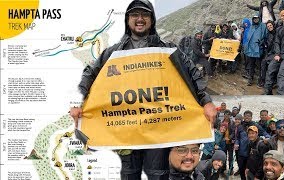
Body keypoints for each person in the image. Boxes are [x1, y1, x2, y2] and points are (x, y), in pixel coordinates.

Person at [69, 0, 217, 179]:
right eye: (135, 15)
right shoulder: (112, 53)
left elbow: (193, 75)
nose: (140, 19)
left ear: (152, 20)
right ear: (128, 20)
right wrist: (78, 103)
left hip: (160, 126)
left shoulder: (168, 50)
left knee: (158, 173)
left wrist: (206, 101)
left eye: (145, 15)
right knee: (130, 173)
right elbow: (89, 75)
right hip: (127, 127)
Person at [244, 15, 267, 86]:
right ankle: (250, 79)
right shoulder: (251, 27)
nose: (255, 20)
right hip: (251, 49)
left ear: (259, 19)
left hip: (258, 49)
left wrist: (262, 42)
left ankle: (260, 80)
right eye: (254, 19)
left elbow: (265, 36)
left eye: (257, 18)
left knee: (260, 65)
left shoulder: (263, 26)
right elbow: (248, 38)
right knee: (251, 65)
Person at [260, 20, 276, 89]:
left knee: (270, 65)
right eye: (268, 26)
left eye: (270, 25)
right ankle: (263, 80)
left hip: (277, 53)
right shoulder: (268, 35)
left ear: (273, 25)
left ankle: (272, 82)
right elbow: (268, 46)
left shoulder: (277, 33)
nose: (269, 27)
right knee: (263, 62)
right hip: (270, 53)